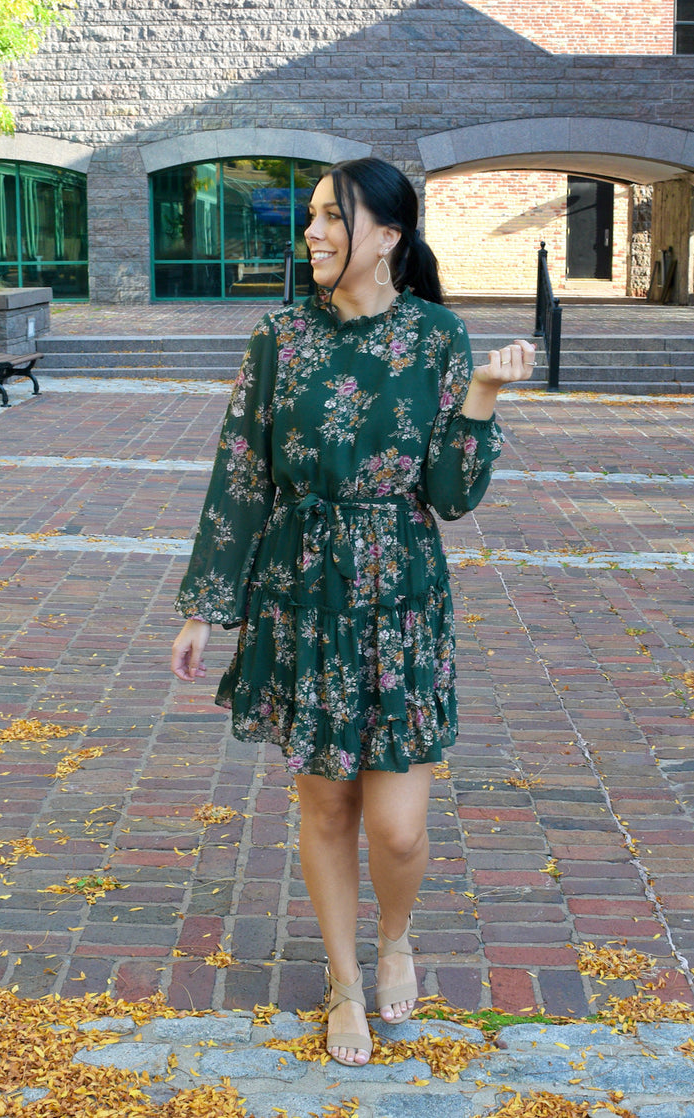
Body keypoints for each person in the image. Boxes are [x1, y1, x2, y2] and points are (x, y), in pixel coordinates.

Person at [169, 156, 534, 1067]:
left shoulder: (436, 338)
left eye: (334, 216)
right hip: (303, 590)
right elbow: (241, 474)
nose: (313, 232)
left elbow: (451, 495)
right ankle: (341, 982)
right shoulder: (279, 337)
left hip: (402, 594)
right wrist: (206, 606)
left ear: (387, 237)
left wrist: (481, 397)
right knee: (325, 802)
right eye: (312, 218)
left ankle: (395, 938)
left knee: (397, 825)